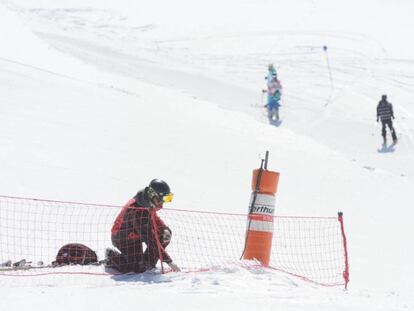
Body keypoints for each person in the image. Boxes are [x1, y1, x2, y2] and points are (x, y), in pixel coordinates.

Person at [106, 179, 180, 273]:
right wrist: (169, 262)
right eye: (163, 199)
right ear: (153, 195)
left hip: (137, 234)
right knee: (136, 269)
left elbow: (154, 218)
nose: (163, 203)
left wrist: (165, 229)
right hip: (124, 239)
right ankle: (112, 257)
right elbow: (150, 239)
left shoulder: (147, 202)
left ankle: (148, 263)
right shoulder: (138, 211)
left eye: (167, 199)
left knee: (164, 234)